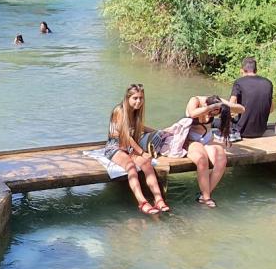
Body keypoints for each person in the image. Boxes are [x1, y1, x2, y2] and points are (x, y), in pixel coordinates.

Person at [105, 84, 171, 214]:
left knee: (147, 164)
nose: (138, 101)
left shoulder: (135, 112)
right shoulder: (119, 111)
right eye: (135, 98)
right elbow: (126, 136)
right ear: (127, 98)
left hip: (130, 147)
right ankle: (142, 202)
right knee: (131, 167)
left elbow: (141, 127)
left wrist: (162, 132)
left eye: (141, 98)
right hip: (116, 147)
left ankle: (158, 199)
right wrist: (142, 152)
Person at [184, 95, 244, 207]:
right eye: (211, 112)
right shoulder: (195, 100)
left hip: (208, 139)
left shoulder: (219, 102)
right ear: (206, 104)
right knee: (202, 160)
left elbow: (242, 109)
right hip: (191, 139)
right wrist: (211, 108)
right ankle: (207, 197)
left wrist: (227, 105)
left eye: (214, 114)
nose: (210, 116)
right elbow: (192, 113)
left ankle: (204, 195)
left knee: (221, 160)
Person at [229, 57, 273, 138]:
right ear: (256, 70)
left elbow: (230, 106)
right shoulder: (268, 83)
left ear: (242, 70)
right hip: (261, 131)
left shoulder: (239, 82)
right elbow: (271, 109)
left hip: (242, 131)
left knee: (216, 122)